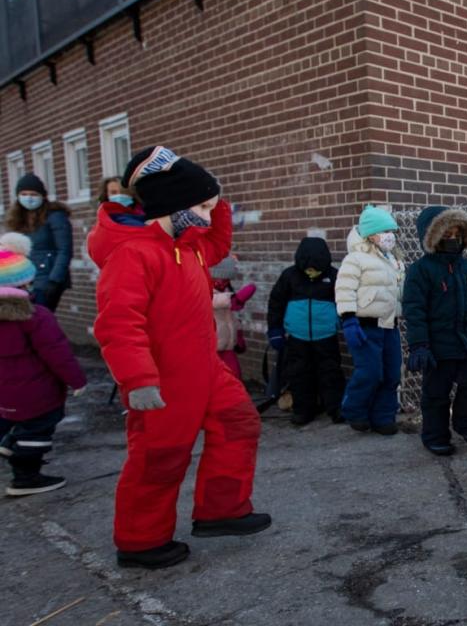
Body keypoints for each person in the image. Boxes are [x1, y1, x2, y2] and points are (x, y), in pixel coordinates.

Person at [88, 146, 270, 570]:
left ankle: (221, 511)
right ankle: (141, 541)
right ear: (174, 205)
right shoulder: (134, 254)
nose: (208, 215)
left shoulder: (188, 246)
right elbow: (118, 323)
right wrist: (138, 380)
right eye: (202, 207)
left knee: (238, 425)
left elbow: (219, 242)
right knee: (160, 459)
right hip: (165, 380)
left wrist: (215, 198)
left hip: (207, 370)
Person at [0, 232, 86, 496]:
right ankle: (25, 476)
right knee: (37, 430)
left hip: (5, 392)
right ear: (26, 282)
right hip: (37, 391)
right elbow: (57, 353)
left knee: (17, 421)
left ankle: (9, 441)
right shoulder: (36, 316)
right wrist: (77, 380)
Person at [403, 206, 467, 456]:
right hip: (438, 345)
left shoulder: (466, 267)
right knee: (436, 393)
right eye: (446, 234)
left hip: (466, 342)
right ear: (433, 237)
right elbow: (414, 310)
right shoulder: (420, 270)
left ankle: (466, 424)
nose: (453, 239)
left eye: (457, 233)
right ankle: (435, 435)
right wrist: (419, 345)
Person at [335, 205, 405, 434]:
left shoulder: (395, 261)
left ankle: (383, 417)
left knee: (392, 373)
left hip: (389, 326)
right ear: (370, 234)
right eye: (384, 230)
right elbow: (344, 289)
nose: (389, 236)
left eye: (391, 230)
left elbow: (399, 293)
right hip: (365, 327)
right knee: (370, 372)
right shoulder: (356, 259)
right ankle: (354, 409)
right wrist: (348, 320)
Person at [267, 237, 345, 426]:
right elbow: (276, 303)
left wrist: (344, 322)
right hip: (297, 338)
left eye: (316, 269)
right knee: (299, 374)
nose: (312, 272)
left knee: (331, 373)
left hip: (326, 335)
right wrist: (275, 330)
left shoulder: (334, 276)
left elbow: (344, 301)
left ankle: (335, 408)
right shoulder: (289, 276)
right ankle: (303, 410)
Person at [5, 173, 73, 312]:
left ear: (42, 196)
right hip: (26, 279)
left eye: (33, 194)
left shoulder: (55, 216)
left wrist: (54, 280)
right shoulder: (18, 219)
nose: (29, 198)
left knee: (40, 317)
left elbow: (64, 250)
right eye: (24, 194)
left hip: (47, 277)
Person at [210, 255, 256, 381]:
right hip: (211, 348)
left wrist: (238, 337)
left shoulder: (223, 289)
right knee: (215, 380)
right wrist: (234, 299)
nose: (225, 283)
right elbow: (214, 301)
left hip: (227, 346)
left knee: (235, 376)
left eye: (227, 280)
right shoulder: (204, 289)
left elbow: (232, 318)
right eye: (223, 279)